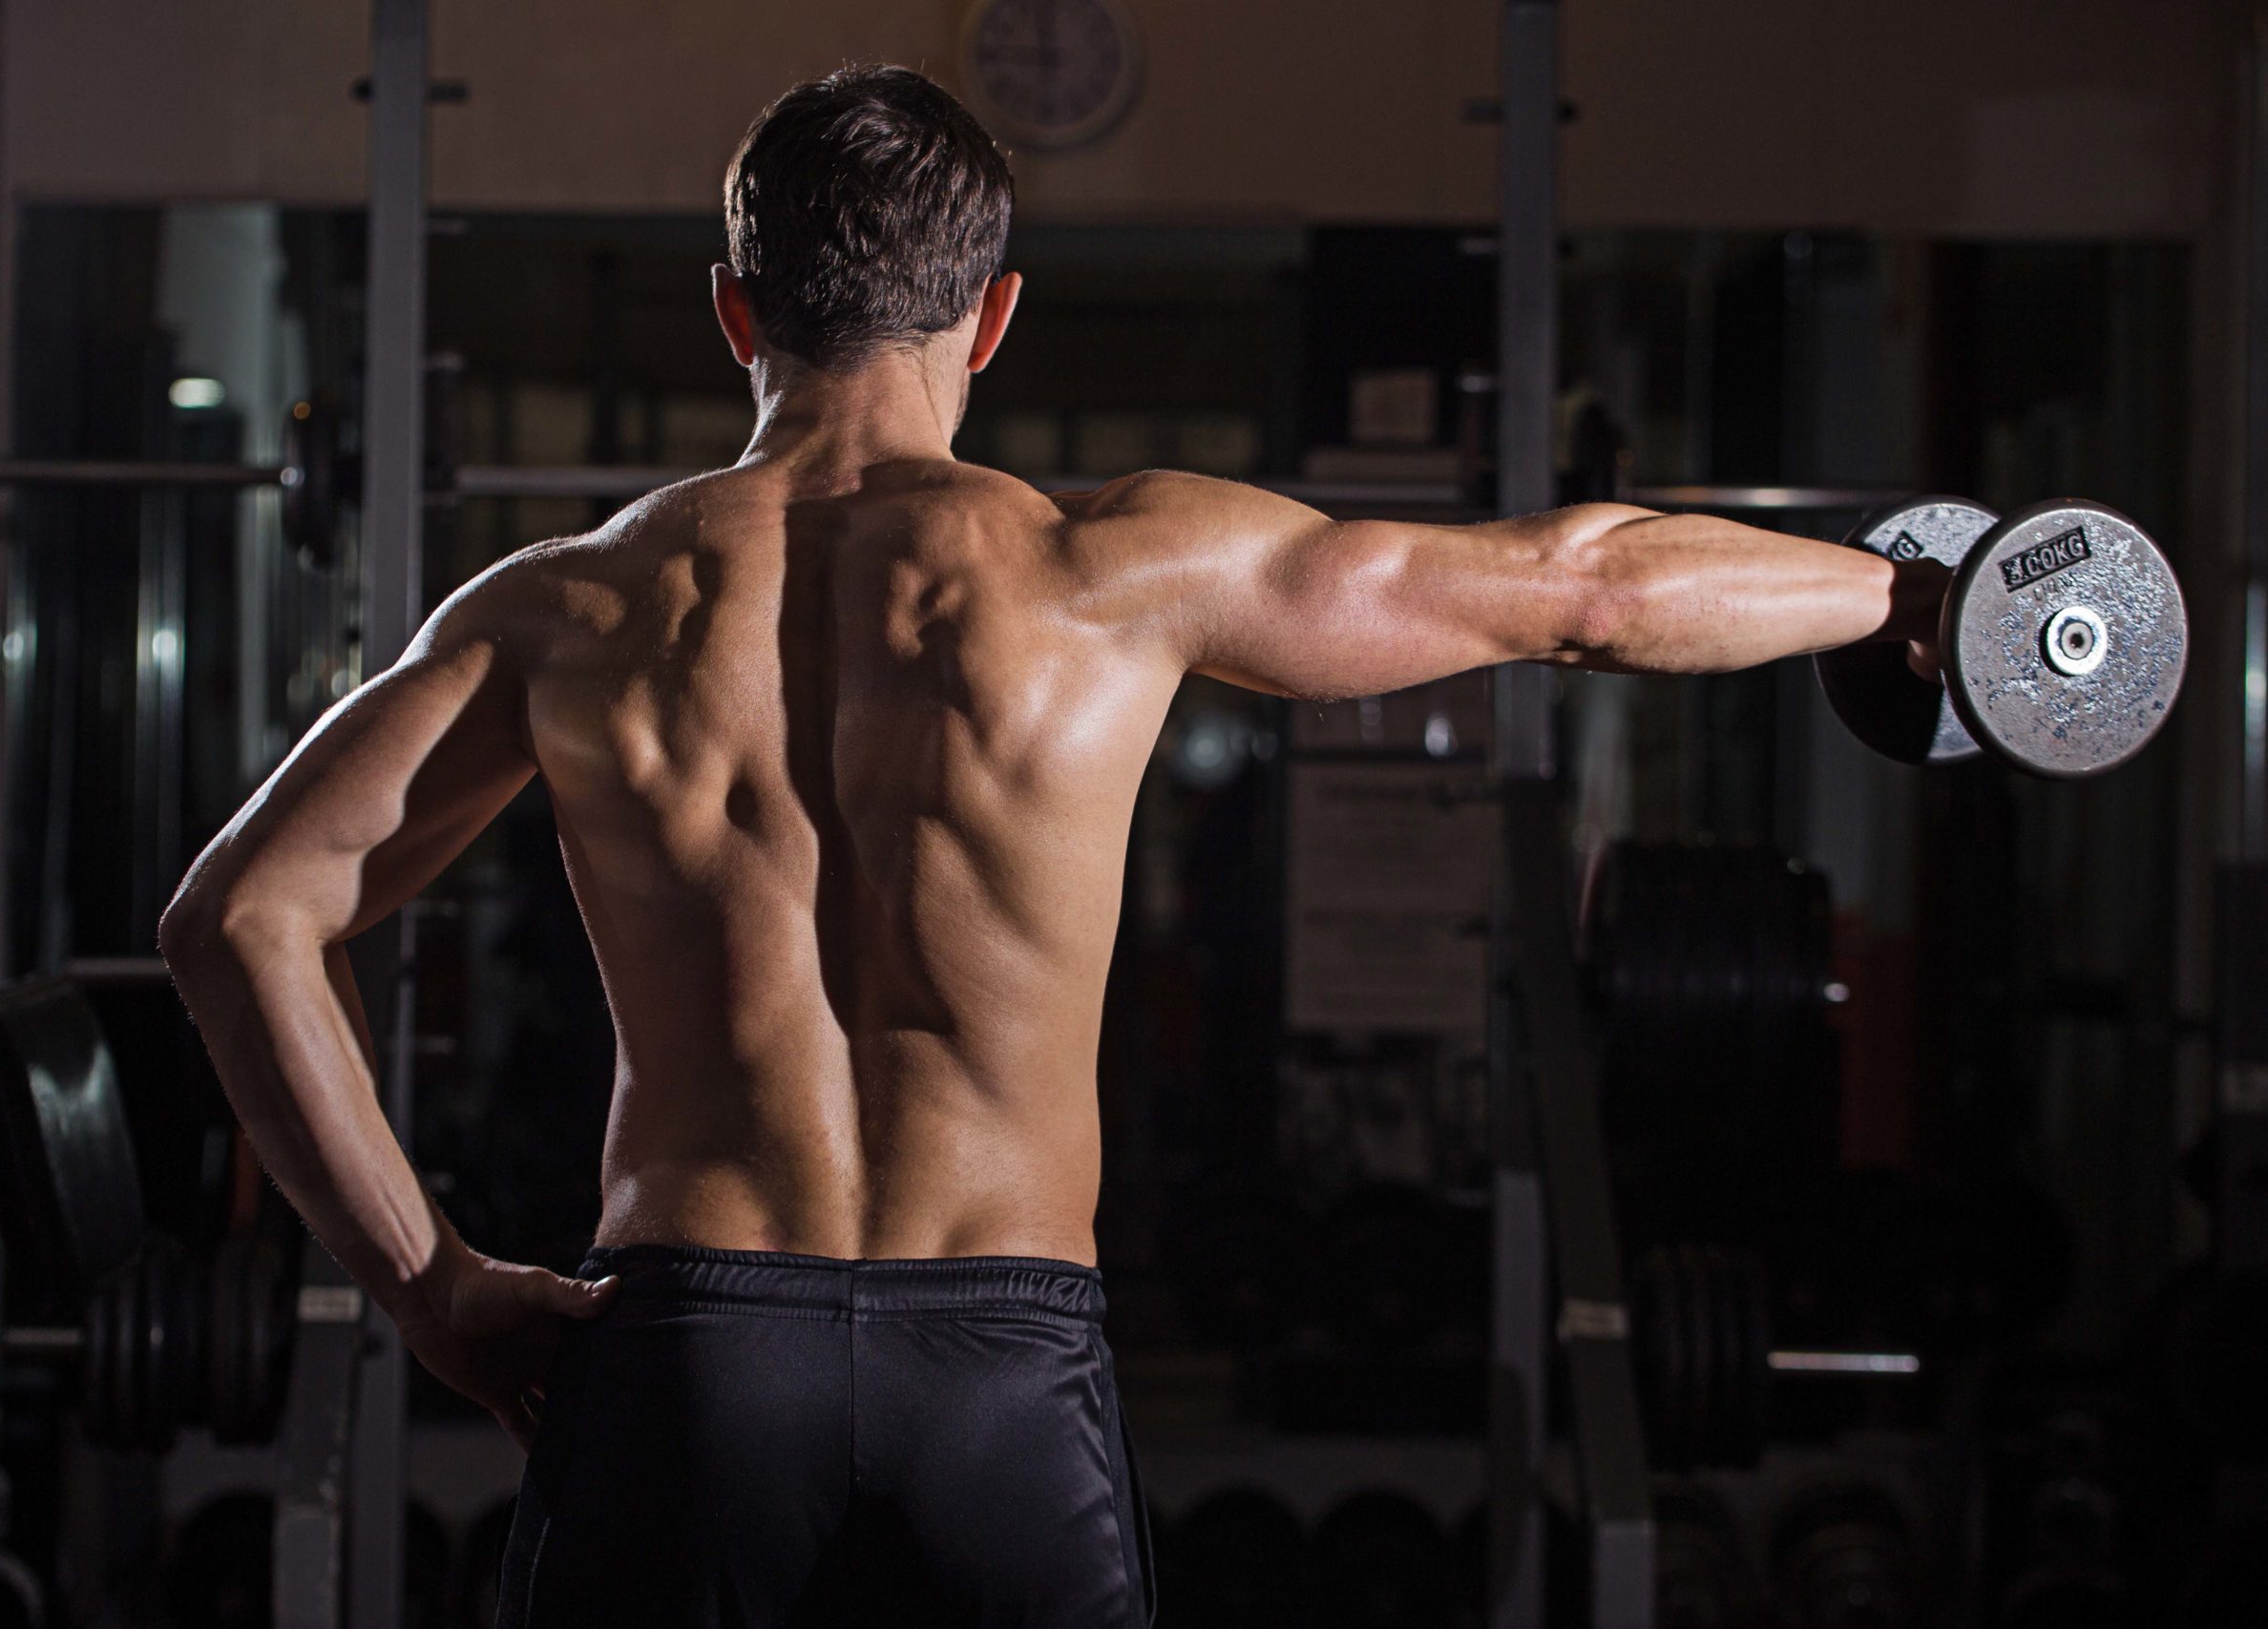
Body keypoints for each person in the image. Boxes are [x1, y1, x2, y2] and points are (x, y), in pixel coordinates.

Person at [158, 64, 1947, 1629]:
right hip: (1000, 1365)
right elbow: (1587, 591)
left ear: (733, 314)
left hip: (689, 1355)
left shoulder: (566, 611)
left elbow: (239, 916)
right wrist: (1923, 599)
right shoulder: (1115, 574)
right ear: (994, 318)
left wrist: (441, 1291)